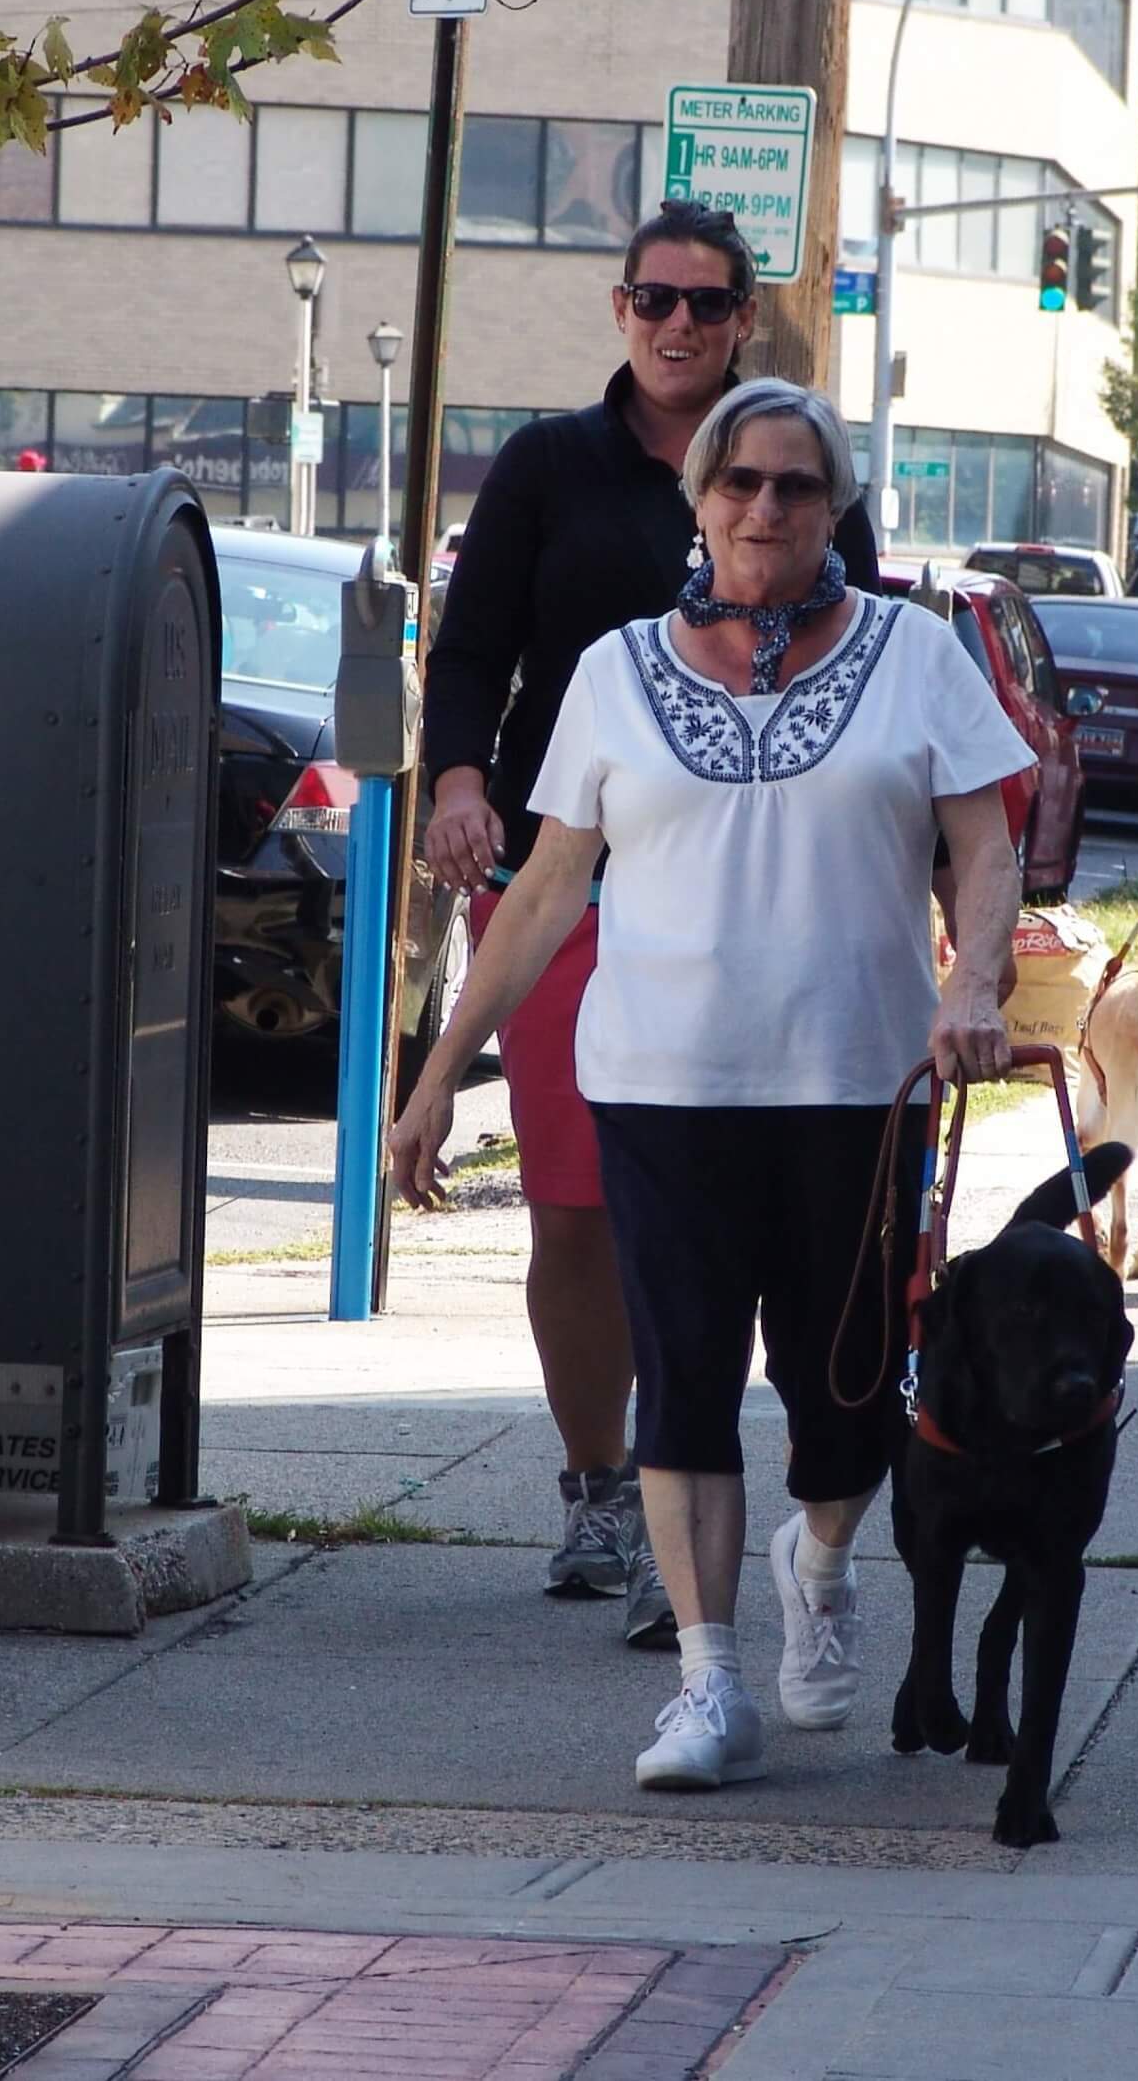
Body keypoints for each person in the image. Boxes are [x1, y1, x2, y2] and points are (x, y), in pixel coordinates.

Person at [393, 378, 1032, 1794]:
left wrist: (972, 983)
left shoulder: (920, 658)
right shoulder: (617, 671)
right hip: (662, 1085)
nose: (764, 508)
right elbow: (550, 883)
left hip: (860, 1085)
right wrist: (440, 1069)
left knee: (845, 1388)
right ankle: (708, 1677)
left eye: (795, 486)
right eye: (738, 481)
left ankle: (821, 1566)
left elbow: (983, 848)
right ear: (700, 499)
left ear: (835, 506)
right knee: (682, 1385)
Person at [422, 200, 880, 1650]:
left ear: (747, 315)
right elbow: (474, 644)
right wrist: (456, 784)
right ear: (620, 311)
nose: (677, 323)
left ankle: (692, 1486)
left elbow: (860, 640)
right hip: (574, 873)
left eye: (707, 302)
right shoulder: (551, 465)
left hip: (753, 894)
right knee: (573, 1195)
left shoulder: (793, 461)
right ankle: (599, 1485)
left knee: (720, 1214)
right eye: (653, 299)